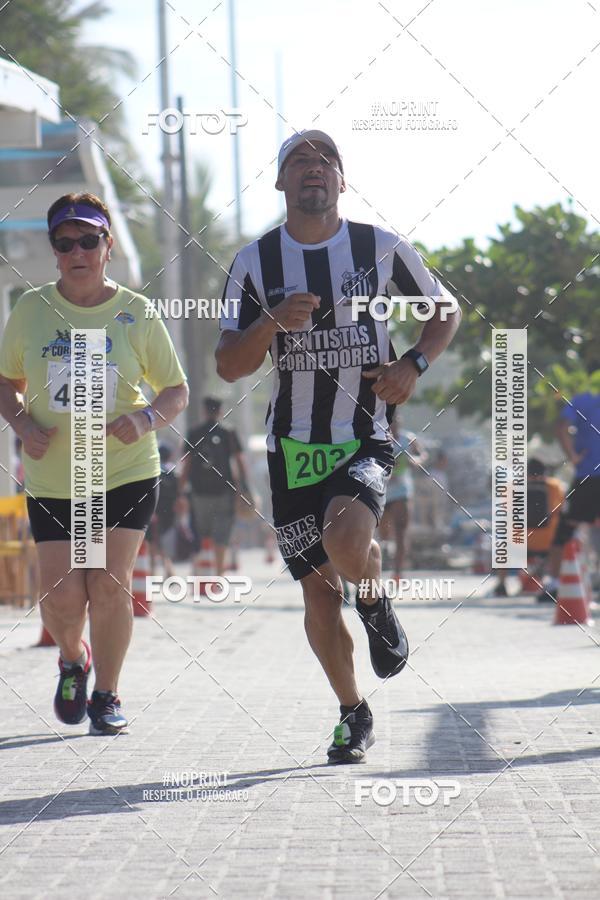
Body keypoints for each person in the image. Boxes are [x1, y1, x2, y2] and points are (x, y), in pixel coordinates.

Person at [216, 129, 461, 763]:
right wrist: (272, 321)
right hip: (291, 448)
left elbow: (445, 310)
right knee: (319, 594)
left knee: (347, 541)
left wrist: (412, 364)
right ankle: (353, 712)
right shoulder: (254, 262)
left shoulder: (380, 247)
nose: (314, 168)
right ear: (281, 181)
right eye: (299, 160)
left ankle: (374, 601)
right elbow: (229, 365)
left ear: (341, 181)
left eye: (326, 161)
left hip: (365, 432)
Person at [0, 192, 188, 734]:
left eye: (88, 240)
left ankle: (107, 695)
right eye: (65, 243)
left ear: (108, 247)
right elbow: (5, 382)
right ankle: (72, 658)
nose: (77, 252)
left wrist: (145, 419)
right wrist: (22, 425)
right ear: (54, 252)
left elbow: (175, 390)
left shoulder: (136, 311)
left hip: (123, 470)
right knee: (62, 597)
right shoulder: (31, 309)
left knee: (107, 583)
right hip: (56, 478)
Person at [537, 385, 600, 603]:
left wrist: (572, 456)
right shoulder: (584, 399)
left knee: (566, 529)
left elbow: (561, 427)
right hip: (588, 476)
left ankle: (555, 582)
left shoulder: (583, 398)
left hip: (588, 476)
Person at [179, 397, 252, 577]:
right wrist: (245, 487)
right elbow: (240, 461)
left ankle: (202, 572)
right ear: (220, 411)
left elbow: (186, 464)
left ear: (204, 411)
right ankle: (219, 574)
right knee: (221, 535)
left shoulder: (194, 432)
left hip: (199, 492)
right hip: (224, 491)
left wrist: (180, 491)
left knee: (202, 533)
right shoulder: (229, 432)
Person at [493, 458, 565, 597]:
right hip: (548, 543)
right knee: (561, 540)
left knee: (502, 543)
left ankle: (501, 584)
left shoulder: (512, 486)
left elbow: (505, 513)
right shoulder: (554, 486)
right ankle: (554, 581)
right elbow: (561, 510)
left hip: (519, 543)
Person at [379, 413, 427, 579]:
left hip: (402, 490)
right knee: (383, 532)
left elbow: (422, 455)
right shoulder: (379, 437)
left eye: (397, 421)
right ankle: (383, 552)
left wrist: (416, 460)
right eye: (391, 421)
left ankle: (398, 573)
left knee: (401, 531)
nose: (394, 424)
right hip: (381, 490)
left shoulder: (408, 438)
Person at [147, 444, 179, 578]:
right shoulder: (173, 472)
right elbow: (177, 492)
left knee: (152, 543)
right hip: (169, 512)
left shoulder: (154, 471)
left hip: (153, 512)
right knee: (164, 542)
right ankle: (168, 569)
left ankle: (153, 571)